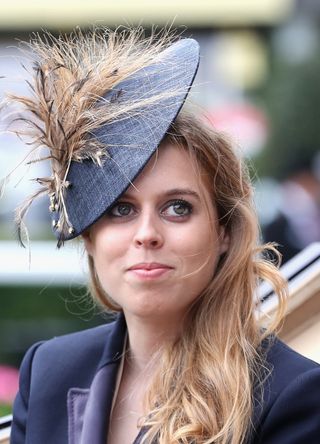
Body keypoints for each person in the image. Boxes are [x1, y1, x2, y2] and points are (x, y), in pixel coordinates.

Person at [5, 27, 320, 444]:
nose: (147, 234)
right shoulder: (48, 370)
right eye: (121, 209)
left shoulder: (290, 394)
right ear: (90, 238)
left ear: (224, 231)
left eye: (178, 208)